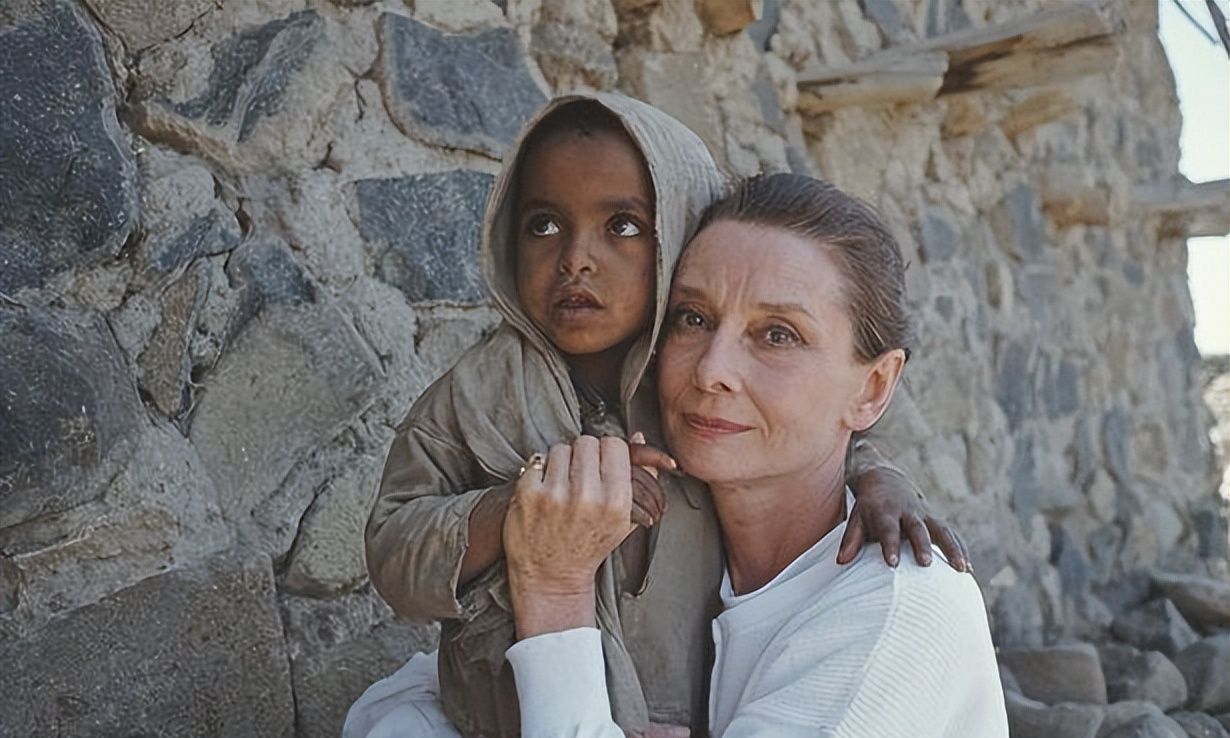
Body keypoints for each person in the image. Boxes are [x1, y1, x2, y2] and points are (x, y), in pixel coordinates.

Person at [351, 94, 970, 738]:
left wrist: (883, 481)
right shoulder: (481, 394)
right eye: (541, 224)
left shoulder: (882, 619)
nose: (575, 259)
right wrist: (522, 514)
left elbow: (827, 442)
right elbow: (395, 544)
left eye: (621, 226)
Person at [503, 173, 1008, 737]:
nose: (712, 370)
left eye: (778, 335)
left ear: (872, 388)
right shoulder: (682, 560)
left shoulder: (891, 614)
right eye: (693, 318)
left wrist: (553, 592)